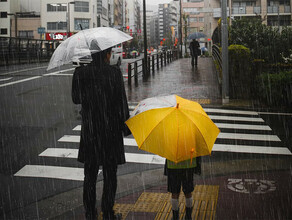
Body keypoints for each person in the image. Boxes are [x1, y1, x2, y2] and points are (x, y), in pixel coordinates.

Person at [72, 47, 130, 220]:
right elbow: (121, 101)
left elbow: (76, 98)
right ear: (107, 54)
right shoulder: (114, 73)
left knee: (89, 174)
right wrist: (124, 125)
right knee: (110, 174)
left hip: (91, 130)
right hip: (110, 129)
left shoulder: (81, 73)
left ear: (90, 55)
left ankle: (90, 212)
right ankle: (108, 211)